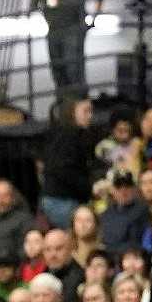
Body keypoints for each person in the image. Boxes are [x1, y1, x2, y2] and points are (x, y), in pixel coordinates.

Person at [42, 97, 100, 228]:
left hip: (60, 198)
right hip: (63, 199)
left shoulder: (63, 134)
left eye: (91, 111)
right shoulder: (68, 136)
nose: (90, 116)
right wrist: (89, 188)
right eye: (86, 111)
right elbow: (63, 169)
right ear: (72, 111)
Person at [101, 170, 150, 257]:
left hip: (134, 258)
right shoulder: (106, 214)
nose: (123, 190)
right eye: (119, 186)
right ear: (113, 190)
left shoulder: (143, 210)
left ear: (134, 189)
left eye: (127, 186)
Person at [42, 228, 85, 302]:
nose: (52, 255)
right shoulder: (43, 275)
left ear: (70, 249)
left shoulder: (81, 277)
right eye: (48, 249)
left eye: (58, 249)